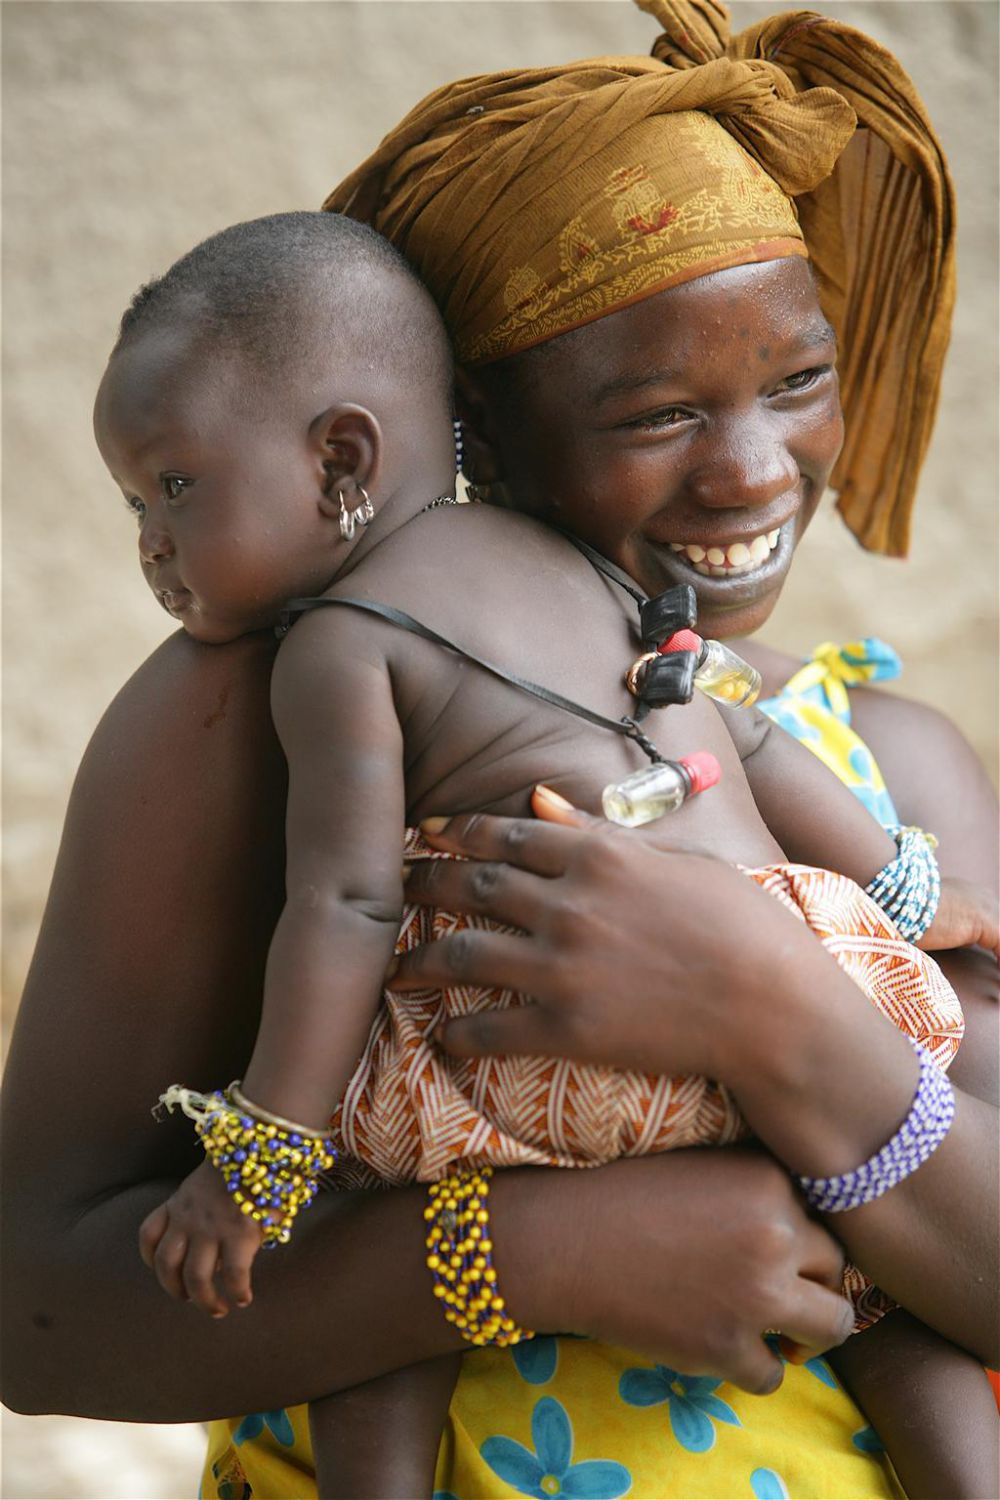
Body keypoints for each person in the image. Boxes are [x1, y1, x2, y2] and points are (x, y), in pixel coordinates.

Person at [1, 2, 996, 1498]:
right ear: (478, 429)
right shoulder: (262, 708)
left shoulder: (885, 751)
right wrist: (522, 1252)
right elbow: (38, 1318)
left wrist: (770, 1007)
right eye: (655, 410)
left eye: (798, 380)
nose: (747, 469)